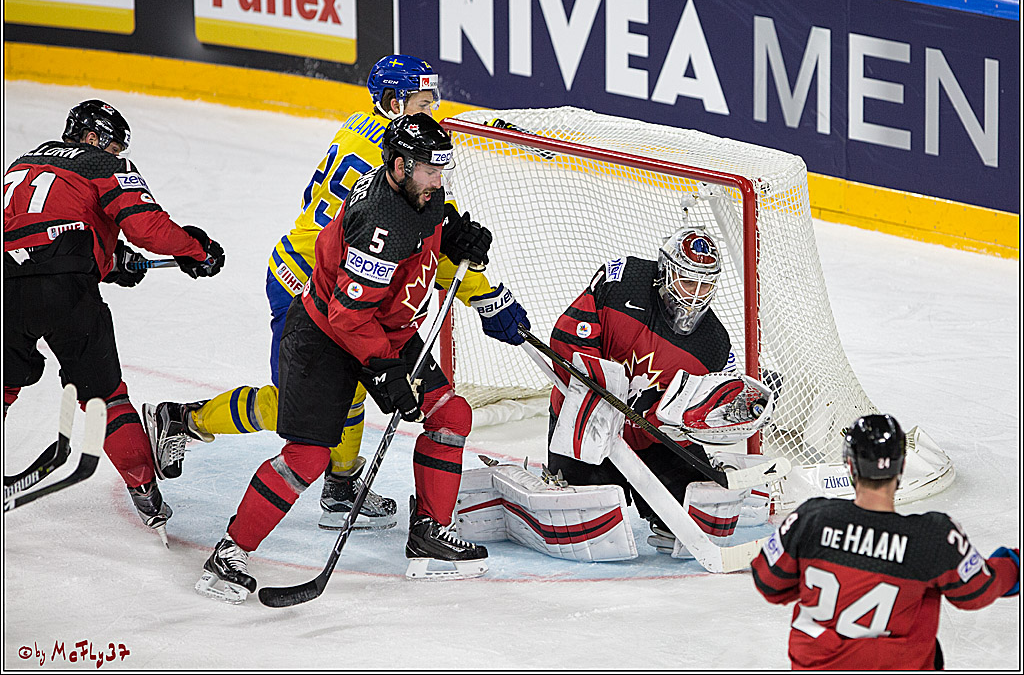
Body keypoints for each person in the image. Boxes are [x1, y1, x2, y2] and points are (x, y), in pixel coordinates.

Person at [194, 113, 531, 603]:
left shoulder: (416, 191)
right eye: (430, 172)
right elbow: (348, 318)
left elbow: (431, 232)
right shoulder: (379, 225)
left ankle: (430, 537)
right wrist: (386, 370)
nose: (439, 182)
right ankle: (229, 553)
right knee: (307, 456)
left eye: (442, 172)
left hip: (386, 328)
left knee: (450, 414)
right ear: (398, 166)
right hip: (327, 337)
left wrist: (457, 241)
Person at [142, 54, 483, 532]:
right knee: (300, 407)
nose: (432, 114)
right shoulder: (389, 168)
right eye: (422, 104)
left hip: (337, 274)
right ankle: (184, 420)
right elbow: (404, 245)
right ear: (393, 103)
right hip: (309, 281)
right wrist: (478, 290)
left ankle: (341, 487)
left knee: (351, 389)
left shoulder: (367, 127)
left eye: (433, 103)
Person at [4, 99, 225, 542]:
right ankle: (146, 494)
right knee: (104, 396)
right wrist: (195, 250)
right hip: (65, 286)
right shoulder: (101, 164)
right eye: (114, 143)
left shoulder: (21, 163)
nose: (118, 152)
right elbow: (146, 227)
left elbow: (42, 227)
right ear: (93, 137)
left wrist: (108, 260)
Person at [751, 414, 1020, 670]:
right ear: (902, 465)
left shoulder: (811, 519)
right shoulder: (932, 537)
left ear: (849, 465)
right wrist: (1013, 565)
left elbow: (770, 584)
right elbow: (977, 591)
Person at [545, 226, 751, 554]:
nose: (695, 295)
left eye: (705, 284)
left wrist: (659, 419)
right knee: (587, 520)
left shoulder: (714, 345)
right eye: (687, 281)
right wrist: (603, 398)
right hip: (584, 424)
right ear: (665, 272)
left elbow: (694, 416)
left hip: (652, 436)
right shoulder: (622, 281)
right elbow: (566, 342)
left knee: (704, 511)